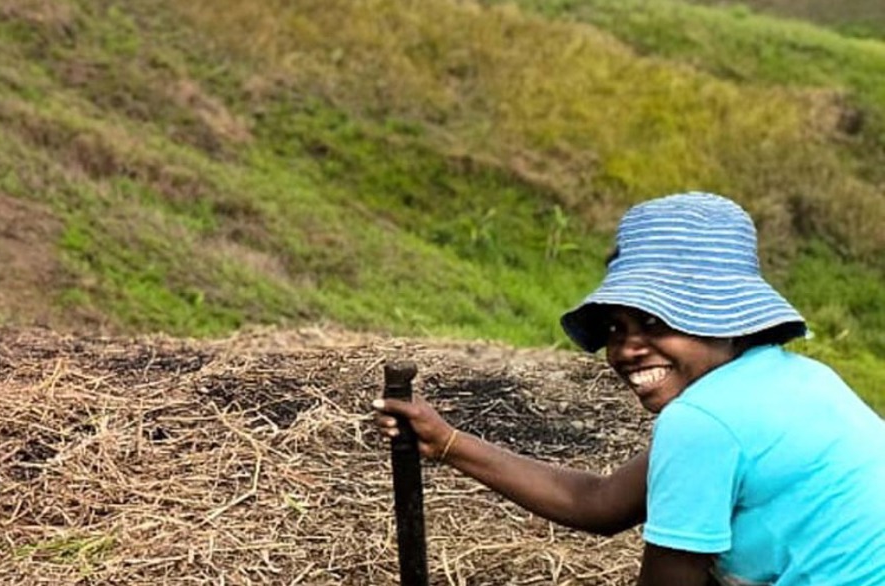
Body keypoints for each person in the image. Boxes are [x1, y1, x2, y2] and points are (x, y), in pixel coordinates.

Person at [372, 192, 885, 585]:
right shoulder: (797, 381)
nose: (627, 349)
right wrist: (447, 442)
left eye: (657, 321)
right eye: (617, 327)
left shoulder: (703, 422)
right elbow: (600, 502)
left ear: (729, 320)